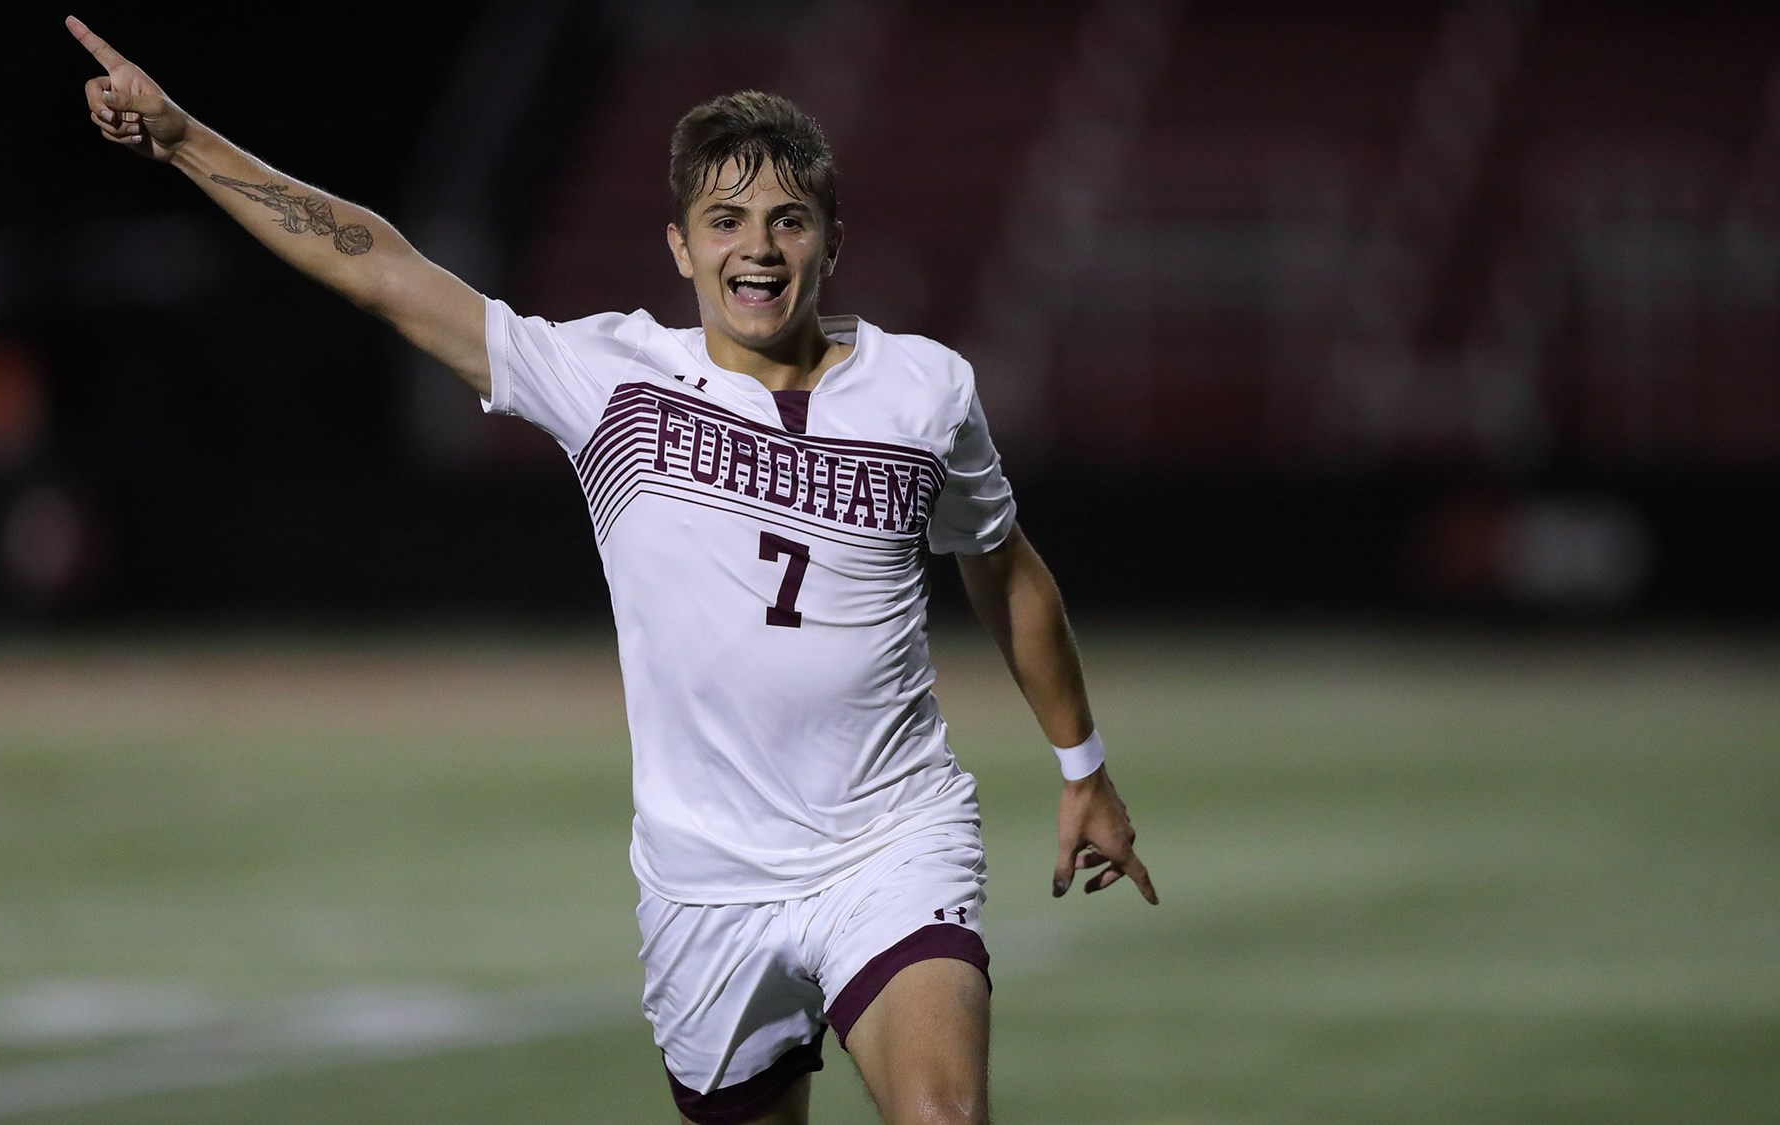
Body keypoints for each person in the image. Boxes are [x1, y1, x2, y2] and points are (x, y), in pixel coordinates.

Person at [68, 16, 1157, 1124]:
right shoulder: (609, 379)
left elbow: (1005, 571)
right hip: (703, 881)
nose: (759, 249)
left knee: (942, 1117)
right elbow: (382, 270)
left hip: (889, 841)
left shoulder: (925, 389)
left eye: (789, 220)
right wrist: (185, 140)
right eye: (724, 220)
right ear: (680, 246)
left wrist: (1083, 765)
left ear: (832, 237)